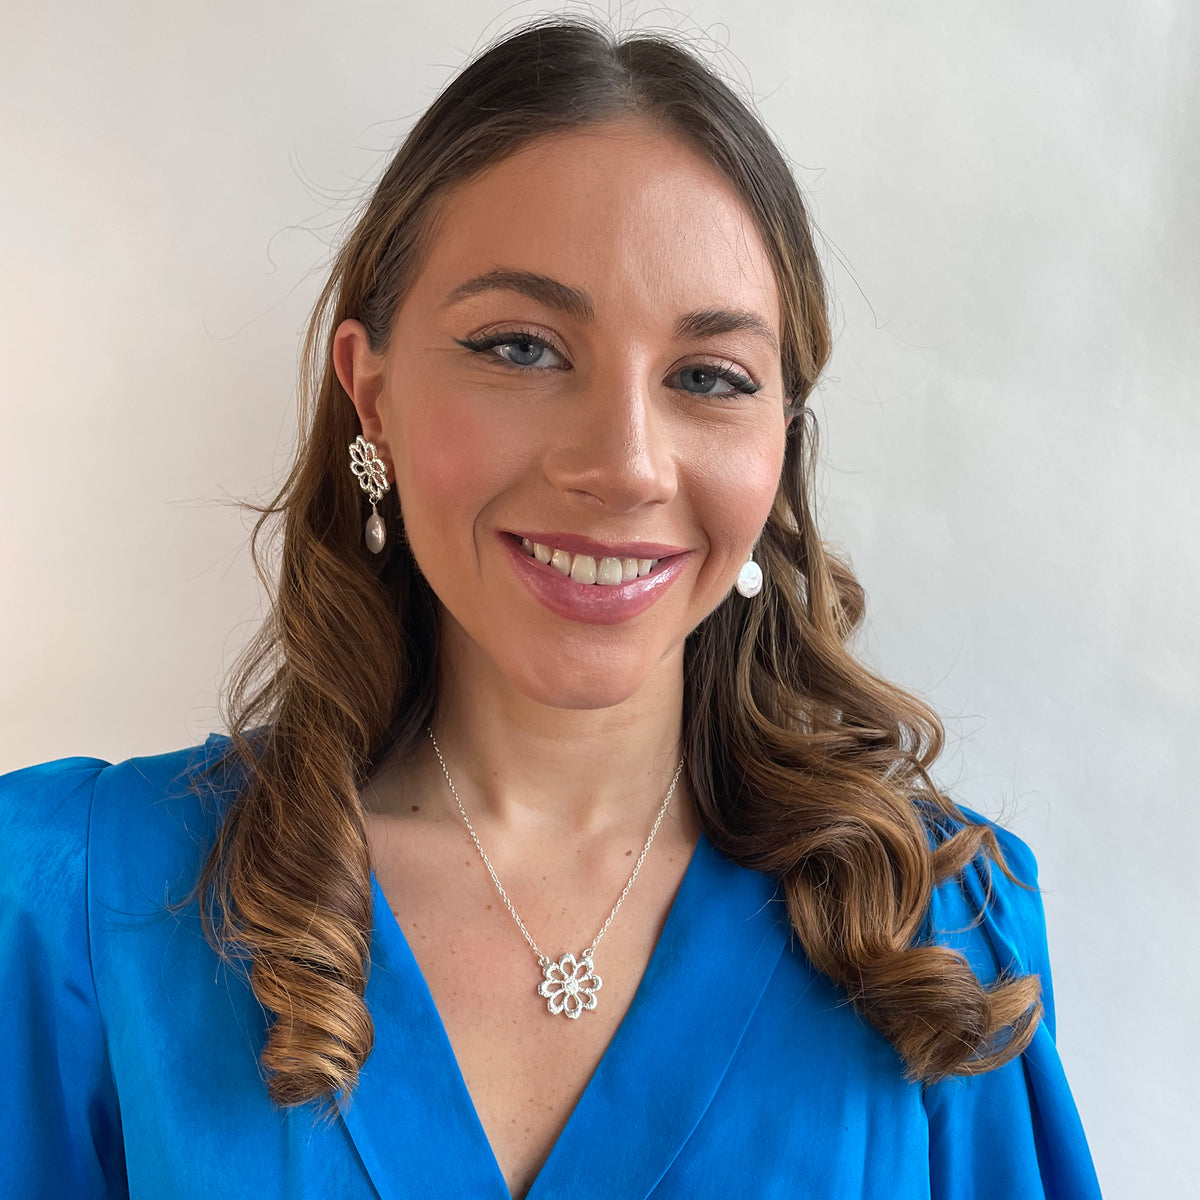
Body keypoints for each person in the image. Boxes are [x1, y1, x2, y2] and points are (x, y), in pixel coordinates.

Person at [0, 14, 1102, 1200]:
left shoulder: (936, 929)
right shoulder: (74, 906)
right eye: (522, 348)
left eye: (709, 378)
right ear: (371, 396)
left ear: (779, 442)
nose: (623, 463)